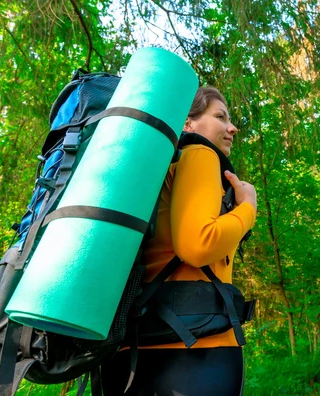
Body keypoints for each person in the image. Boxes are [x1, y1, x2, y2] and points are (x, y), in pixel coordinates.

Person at [101, 86, 257, 395]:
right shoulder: (199, 154)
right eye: (220, 116)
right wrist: (248, 208)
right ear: (188, 124)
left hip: (128, 350)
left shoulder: (156, 173)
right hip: (195, 348)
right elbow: (198, 245)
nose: (232, 127)